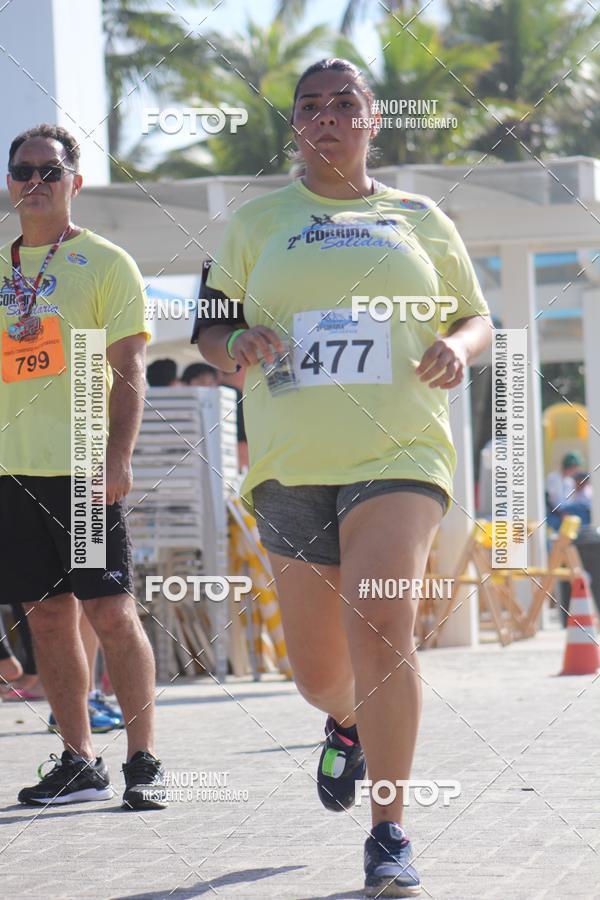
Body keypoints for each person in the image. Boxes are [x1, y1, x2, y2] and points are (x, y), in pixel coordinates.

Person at [195, 58, 492, 897]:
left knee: (383, 625)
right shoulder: (256, 223)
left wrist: (457, 347)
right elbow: (211, 331)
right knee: (319, 673)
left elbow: (475, 315)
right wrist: (236, 347)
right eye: (310, 108)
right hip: (292, 463)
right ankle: (346, 721)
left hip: (400, 452)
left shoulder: (420, 218)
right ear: (296, 126)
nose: (326, 118)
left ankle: (389, 832)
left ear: (372, 120)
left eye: (343, 105)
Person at [1, 123, 167, 808]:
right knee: (44, 617)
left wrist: (117, 457)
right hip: (13, 468)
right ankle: (78, 760)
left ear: (75, 180)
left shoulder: (104, 262)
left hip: (81, 463)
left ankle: (144, 761)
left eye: (49, 171)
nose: (34, 182)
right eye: (22, 171)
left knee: (108, 610)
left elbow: (128, 368)